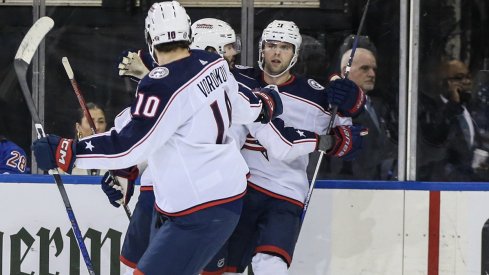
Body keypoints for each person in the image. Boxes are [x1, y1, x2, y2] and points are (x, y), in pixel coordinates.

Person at [30, 2, 283, 274]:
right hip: (213, 199)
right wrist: (265, 106)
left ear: (150, 40)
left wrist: (69, 151)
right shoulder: (214, 64)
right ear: (187, 32)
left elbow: (130, 143)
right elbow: (243, 104)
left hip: (201, 210)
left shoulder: (161, 83)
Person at [202, 20, 368, 275]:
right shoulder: (238, 78)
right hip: (239, 191)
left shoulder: (315, 96)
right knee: (223, 270)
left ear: (295, 54)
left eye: (285, 47)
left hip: (285, 194)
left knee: (271, 265)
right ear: (261, 50)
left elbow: (354, 140)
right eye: (271, 45)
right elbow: (193, 74)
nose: (277, 52)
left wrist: (353, 100)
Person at [316, 47, 398, 180]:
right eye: (364, 68)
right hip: (345, 187)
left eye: (374, 69)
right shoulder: (330, 108)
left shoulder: (380, 106)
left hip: (381, 187)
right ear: (345, 72)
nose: (372, 74)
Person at [418, 59, 489, 181]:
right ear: (442, 83)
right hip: (442, 184)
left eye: (468, 77)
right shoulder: (432, 110)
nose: (466, 82)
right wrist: (453, 105)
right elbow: (435, 141)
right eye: (459, 78)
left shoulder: (471, 109)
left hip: (471, 184)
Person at [69, 102, 108, 175]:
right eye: (90, 122)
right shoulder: (67, 158)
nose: (96, 127)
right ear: (78, 127)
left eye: (101, 122)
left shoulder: (117, 157)